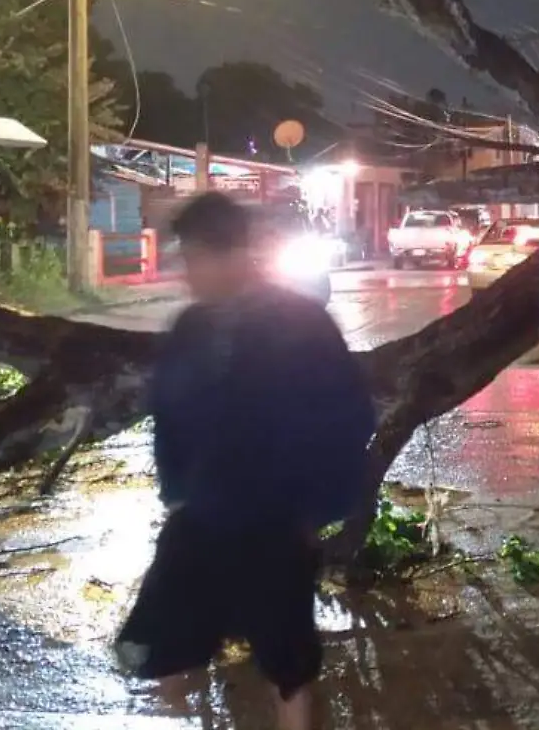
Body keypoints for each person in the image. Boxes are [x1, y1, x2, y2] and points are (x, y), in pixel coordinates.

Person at [116, 191, 376, 729]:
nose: (187, 272)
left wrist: (318, 512)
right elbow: (170, 415)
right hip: (203, 520)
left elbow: (349, 420)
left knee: (288, 667)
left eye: (193, 258)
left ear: (230, 254)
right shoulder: (192, 329)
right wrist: (177, 492)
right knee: (161, 651)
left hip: (275, 526)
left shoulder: (300, 325)